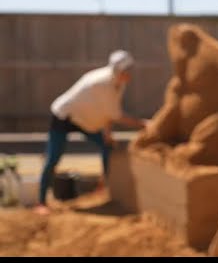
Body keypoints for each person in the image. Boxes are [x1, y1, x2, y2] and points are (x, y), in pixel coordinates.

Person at [33, 50, 148, 215]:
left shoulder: (119, 83)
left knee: (107, 146)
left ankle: (105, 187)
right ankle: (41, 202)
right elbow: (116, 115)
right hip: (64, 116)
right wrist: (143, 124)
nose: (129, 74)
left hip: (85, 120)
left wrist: (107, 134)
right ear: (118, 71)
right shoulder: (101, 83)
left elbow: (108, 112)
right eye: (126, 70)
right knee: (53, 157)